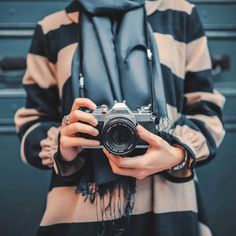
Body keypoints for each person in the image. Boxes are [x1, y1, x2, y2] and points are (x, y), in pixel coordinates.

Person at [14, 0, 225, 235]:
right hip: (78, 210)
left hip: (168, 204)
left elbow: (207, 111)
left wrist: (176, 154)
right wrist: (62, 146)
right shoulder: (51, 28)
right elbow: (32, 121)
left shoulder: (180, 15)